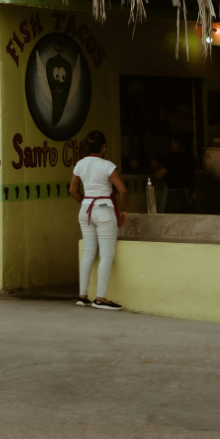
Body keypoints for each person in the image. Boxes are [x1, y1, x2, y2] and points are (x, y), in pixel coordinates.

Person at [70, 131, 128, 310]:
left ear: (87, 147)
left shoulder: (80, 164)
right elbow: (123, 190)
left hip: (86, 210)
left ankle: (82, 296)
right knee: (107, 254)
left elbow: (73, 190)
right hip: (104, 209)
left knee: (88, 252)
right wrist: (124, 210)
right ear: (104, 147)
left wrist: (86, 203)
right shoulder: (107, 165)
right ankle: (101, 298)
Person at [162, 137, 197, 213]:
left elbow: (159, 175)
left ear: (178, 144)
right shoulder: (191, 158)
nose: (170, 144)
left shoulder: (171, 158)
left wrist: (155, 165)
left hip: (175, 197)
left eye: (171, 142)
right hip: (189, 197)